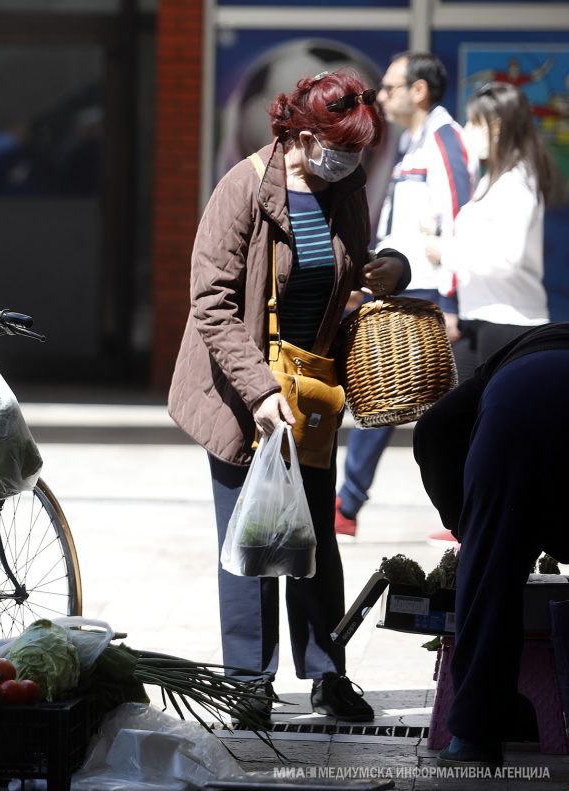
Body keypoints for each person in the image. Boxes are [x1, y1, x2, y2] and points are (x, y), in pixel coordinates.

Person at [168, 70, 410, 724]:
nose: (355, 161)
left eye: (362, 150)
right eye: (345, 148)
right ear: (304, 137)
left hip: (311, 390)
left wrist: (392, 271)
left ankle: (329, 675)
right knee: (252, 541)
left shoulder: (346, 187)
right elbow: (211, 305)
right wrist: (258, 390)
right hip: (240, 392)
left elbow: (354, 270)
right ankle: (249, 682)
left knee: (313, 545)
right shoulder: (242, 187)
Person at [334, 52, 477, 542]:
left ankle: (463, 513)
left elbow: (459, 222)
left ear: (419, 90)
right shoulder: (413, 142)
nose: (382, 97)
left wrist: (454, 303)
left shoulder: (445, 140)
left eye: (391, 87)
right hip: (405, 287)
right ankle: (348, 503)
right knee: (383, 396)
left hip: (435, 294)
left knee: (443, 410)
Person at [412, 323, 569, 767]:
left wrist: (468, 525)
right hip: (516, 408)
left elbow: (433, 429)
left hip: (512, 418)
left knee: (488, 577)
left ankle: (474, 739)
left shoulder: (513, 355)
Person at [423, 82, 555, 380]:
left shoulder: (518, 183)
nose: (467, 129)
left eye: (474, 122)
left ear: (496, 127)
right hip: (478, 318)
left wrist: (446, 252)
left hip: (510, 323)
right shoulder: (492, 179)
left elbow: (507, 260)